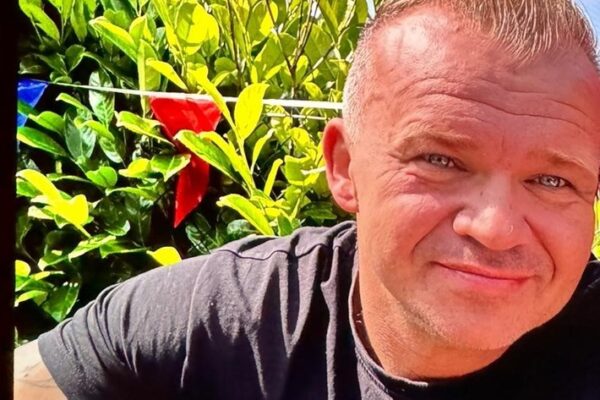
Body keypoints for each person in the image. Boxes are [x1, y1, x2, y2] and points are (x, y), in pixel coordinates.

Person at [14, 0, 600, 399]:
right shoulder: (233, 315)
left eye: (553, 181)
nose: (495, 226)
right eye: (441, 160)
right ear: (345, 168)